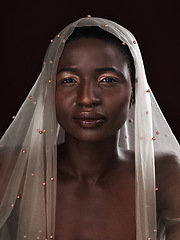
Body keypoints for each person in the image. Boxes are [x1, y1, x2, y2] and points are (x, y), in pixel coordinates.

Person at [0, 16, 179, 240]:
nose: (87, 98)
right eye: (68, 80)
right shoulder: (12, 169)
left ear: (134, 92)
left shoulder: (162, 174)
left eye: (108, 80)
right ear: (48, 90)